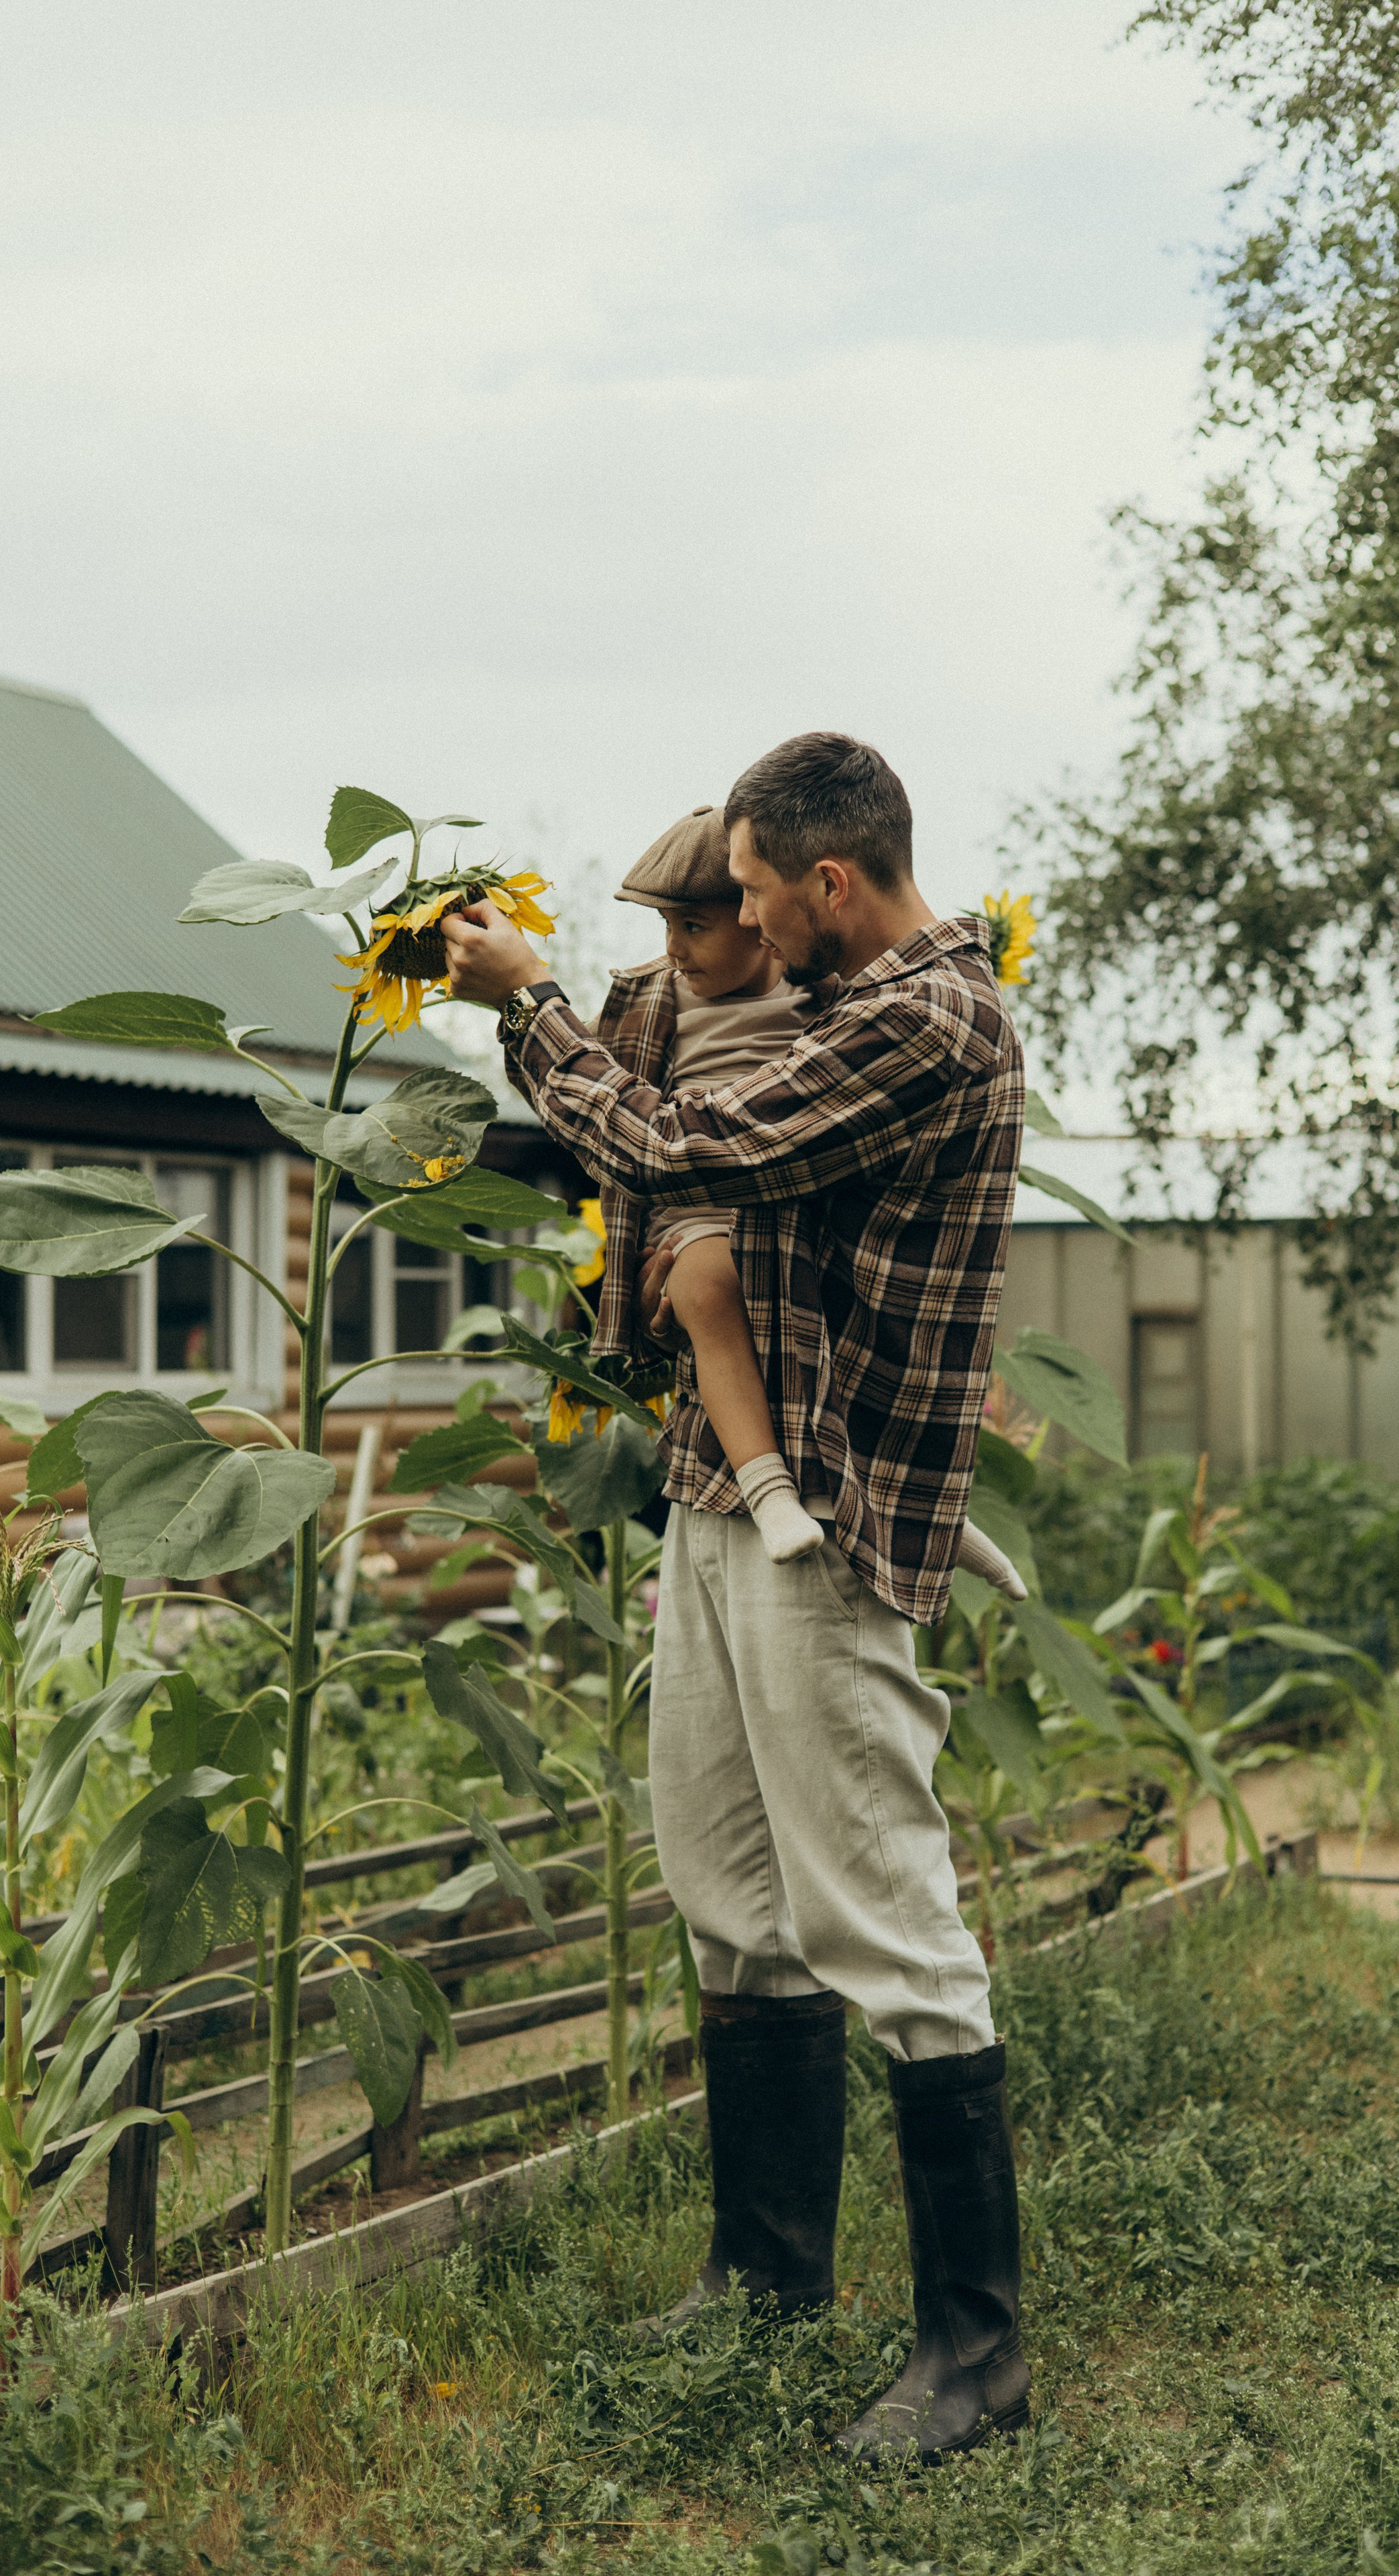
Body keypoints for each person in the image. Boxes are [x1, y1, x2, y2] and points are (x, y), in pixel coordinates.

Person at [442, 731, 1031, 2463]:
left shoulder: (929, 1025)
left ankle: (976, 2358)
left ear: (835, 887)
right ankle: (769, 2270)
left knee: (886, 1917)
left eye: (767, 899)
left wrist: (531, 1002)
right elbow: (686, 1043)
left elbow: (689, 1138)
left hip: (833, 1522)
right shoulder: (844, 1005)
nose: (751, 929)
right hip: (720, 1495)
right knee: (726, 1885)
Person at [587, 801, 1029, 1594]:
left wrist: (524, 1005)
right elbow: (614, 1110)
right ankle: (771, 1487)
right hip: (696, 1204)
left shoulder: (860, 1006)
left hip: (757, 1195)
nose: (677, 949)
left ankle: (917, 1512)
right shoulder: (654, 1002)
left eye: (742, 903)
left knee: (810, 1314)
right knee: (710, 1286)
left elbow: (676, 1134)